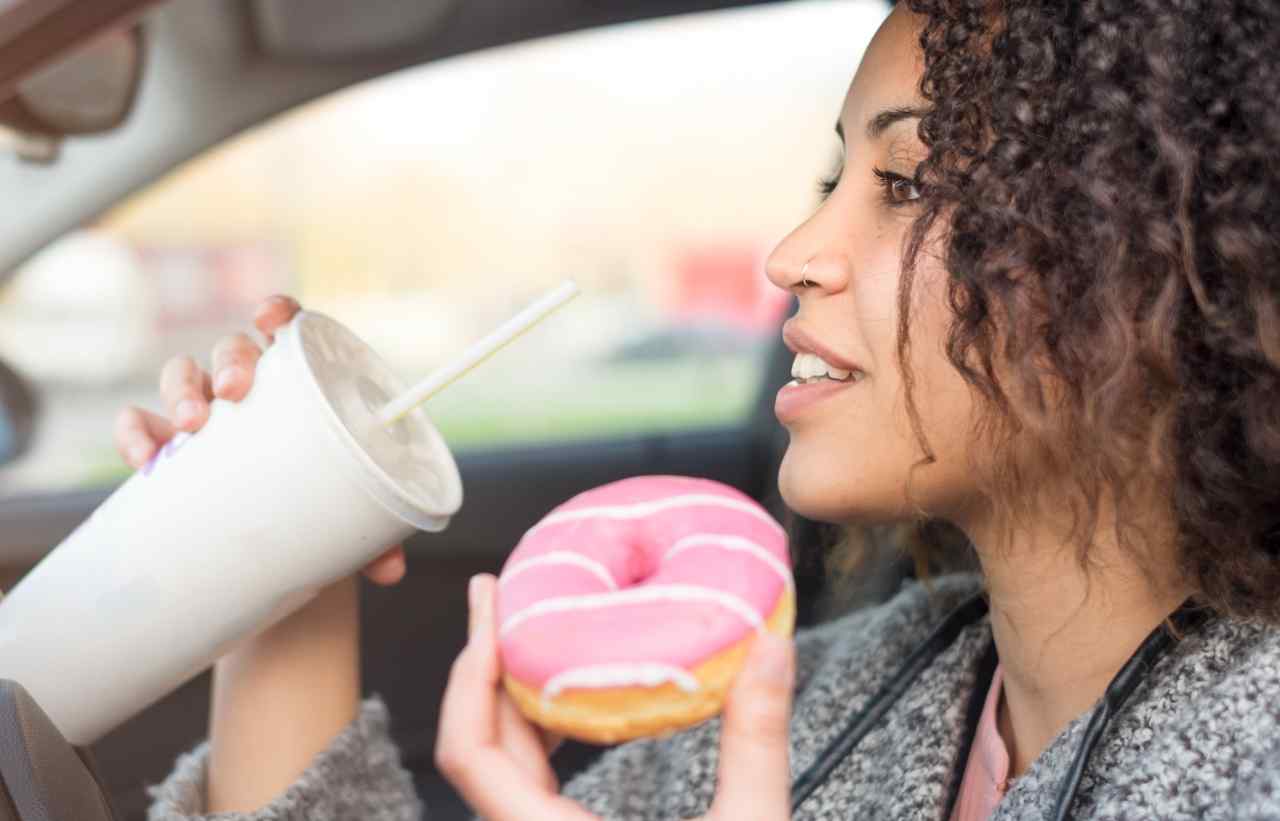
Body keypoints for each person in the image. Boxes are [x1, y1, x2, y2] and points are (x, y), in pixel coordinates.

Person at [120, 1, 1280, 819]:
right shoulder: (829, 689)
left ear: (1166, 268)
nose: (791, 253)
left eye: (910, 183)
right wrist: (286, 562)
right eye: (834, 184)